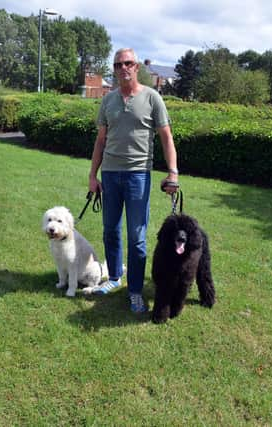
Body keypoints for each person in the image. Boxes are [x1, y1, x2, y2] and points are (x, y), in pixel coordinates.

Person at [88, 48, 179, 313]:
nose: (123, 68)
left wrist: (172, 172)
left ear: (136, 67)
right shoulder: (108, 100)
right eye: (118, 65)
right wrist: (93, 175)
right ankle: (115, 277)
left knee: (137, 237)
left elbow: (166, 138)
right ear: (114, 69)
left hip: (139, 175)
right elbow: (101, 141)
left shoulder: (152, 98)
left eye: (128, 63)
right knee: (110, 231)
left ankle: (136, 290)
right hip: (111, 175)